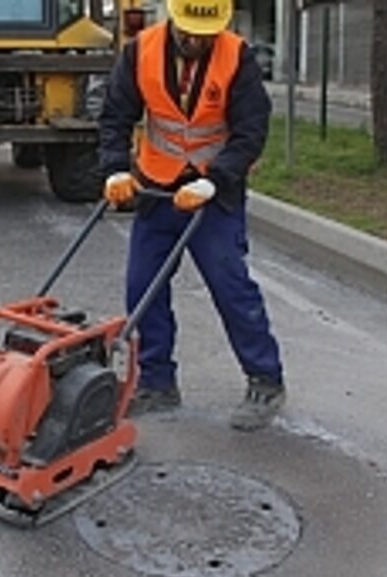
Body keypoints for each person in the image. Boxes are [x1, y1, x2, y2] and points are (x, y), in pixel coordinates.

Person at [98, 0, 285, 430]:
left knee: (230, 285)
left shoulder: (238, 57)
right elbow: (115, 115)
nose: (197, 40)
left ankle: (265, 380)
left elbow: (251, 131)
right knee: (142, 289)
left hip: (212, 194)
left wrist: (215, 179)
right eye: (189, 32)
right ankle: (157, 383)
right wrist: (114, 170)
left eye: (207, 33)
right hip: (156, 189)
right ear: (173, 18)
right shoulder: (140, 50)